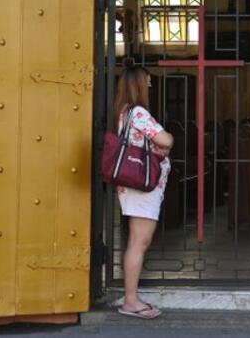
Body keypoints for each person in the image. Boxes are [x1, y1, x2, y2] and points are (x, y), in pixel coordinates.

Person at [113, 66, 174, 320]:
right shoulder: (138, 112)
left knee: (139, 241)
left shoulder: (125, 113)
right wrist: (167, 139)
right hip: (141, 187)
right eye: (147, 82)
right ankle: (130, 300)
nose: (150, 85)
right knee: (140, 242)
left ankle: (132, 297)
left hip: (136, 188)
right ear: (138, 84)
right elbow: (166, 140)